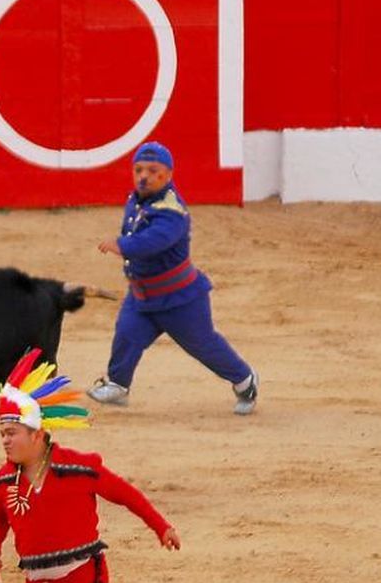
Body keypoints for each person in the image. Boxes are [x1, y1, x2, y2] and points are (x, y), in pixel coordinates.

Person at [0, 349, 180, 583]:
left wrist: (161, 526)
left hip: (82, 572)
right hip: (38, 580)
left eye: (11, 433)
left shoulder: (77, 469)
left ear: (37, 435)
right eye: (2, 434)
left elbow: (126, 495)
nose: (4, 440)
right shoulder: (5, 481)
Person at [86, 142, 261, 415]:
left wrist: (122, 246)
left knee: (203, 345)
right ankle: (118, 385)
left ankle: (245, 380)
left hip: (180, 300)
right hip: (142, 294)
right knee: (126, 335)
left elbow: (153, 241)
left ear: (167, 176)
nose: (143, 176)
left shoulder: (172, 211)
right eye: (138, 170)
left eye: (152, 171)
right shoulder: (136, 200)